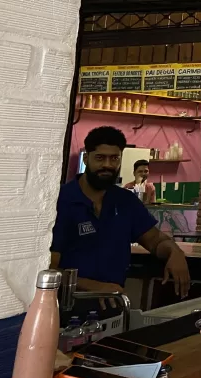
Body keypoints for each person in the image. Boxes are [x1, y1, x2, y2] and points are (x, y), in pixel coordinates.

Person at [50, 126, 189, 297]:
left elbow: (155, 240)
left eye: (114, 158)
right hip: (65, 306)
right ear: (86, 159)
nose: (107, 165)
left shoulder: (125, 201)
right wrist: (94, 287)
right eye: (100, 158)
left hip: (112, 304)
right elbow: (47, 270)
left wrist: (174, 252)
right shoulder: (60, 201)